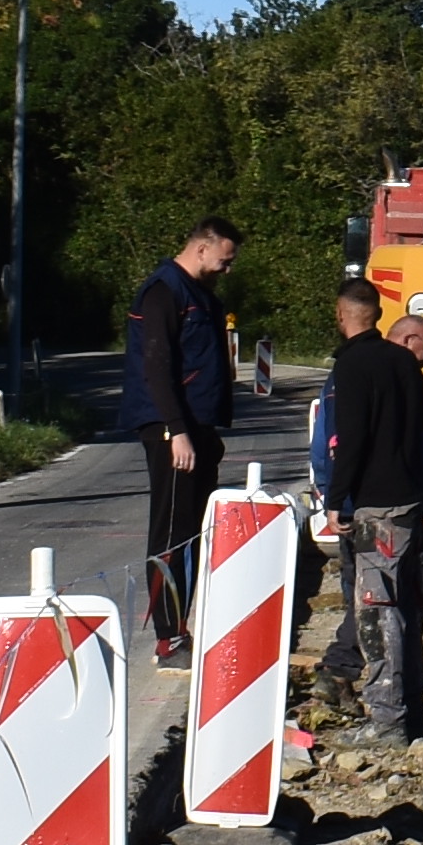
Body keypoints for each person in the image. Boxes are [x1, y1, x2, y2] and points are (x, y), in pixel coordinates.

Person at [305, 276, 423, 748]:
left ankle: (387, 722)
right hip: (409, 505)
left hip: (375, 509)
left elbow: (349, 440)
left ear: (343, 315)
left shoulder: (353, 367)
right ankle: (414, 713)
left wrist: (335, 501)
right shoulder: (406, 366)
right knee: (405, 612)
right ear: (377, 314)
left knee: (377, 614)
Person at [120, 216, 240, 657]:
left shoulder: (200, 295)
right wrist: (178, 432)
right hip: (172, 429)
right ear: (202, 248)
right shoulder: (164, 292)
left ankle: (184, 623)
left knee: (192, 529)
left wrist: (207, 430)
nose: (226, 270)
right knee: (171, 531)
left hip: (195, 429)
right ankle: (168, 634)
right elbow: (157, 368)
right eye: (224, 262)